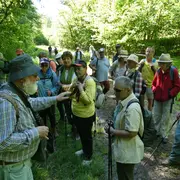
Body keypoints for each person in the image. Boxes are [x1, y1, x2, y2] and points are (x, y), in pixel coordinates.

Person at [0, 54, 69, 180]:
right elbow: (3, 142)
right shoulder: (6, 102)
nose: (37, 78)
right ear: (22, 78)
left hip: (19, 166)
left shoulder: (16, 91)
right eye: (34, 75)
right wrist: (35, 133)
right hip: (13, 170)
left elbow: (31, 103)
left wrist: (55, 98)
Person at [105, 76, 144, 180]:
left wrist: (113, 131)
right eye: (114, 89)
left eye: (118, 90)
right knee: (122, 175)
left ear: (128, 90)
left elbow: (132, 132)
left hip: (128, 151)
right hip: (124, 149)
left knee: (126, 176)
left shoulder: (132, 108)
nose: (115, 92)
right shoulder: (124, 100)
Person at [69, 60, 96, 166]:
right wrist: (73, 87)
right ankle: (84, 150)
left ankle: (89, 157)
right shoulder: (76, 79)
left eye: (79, 68)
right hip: (76, 113)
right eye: (75, 69)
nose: (77, 71)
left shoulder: (90, 82)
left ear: (85, 69)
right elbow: (70, 95)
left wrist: (80, 89)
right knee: (81, 134)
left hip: (86, 115)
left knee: (87, 137)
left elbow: (88, 100)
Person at [152, 53, 180, 144]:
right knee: (156, 115)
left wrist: (170, 94)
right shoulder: (158, 71)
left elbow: (177, 86)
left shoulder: (173, 72)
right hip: (157, 98)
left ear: (168, 64)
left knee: (166, 117)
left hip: (168, 99)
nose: (161, 65)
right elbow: (154, 83)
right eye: (160, 63)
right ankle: (157, 132)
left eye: (163, 63)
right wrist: (154, 90)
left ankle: (164, 135)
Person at [37, 57, 60, 136]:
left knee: (51, 115)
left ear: (48, 65)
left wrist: (52, 91)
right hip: (40, 98)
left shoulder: (52, 74)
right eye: (42, 65)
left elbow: (57, 86)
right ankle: (44, 131)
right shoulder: (37, 73)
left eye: (45, 65)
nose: (44, 67)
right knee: (42, 115)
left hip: (50, 98)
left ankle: (53, 129)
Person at [57, 51, 76, 137]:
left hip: (74, 94)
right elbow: (58, 81)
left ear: (71, 59)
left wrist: (69, 86)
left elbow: (78, 80)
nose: (66, 61)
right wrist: (62, 85)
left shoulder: (75, 68)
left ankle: (77, 131)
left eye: (68, 58)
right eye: (64, 59)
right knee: (68, 112)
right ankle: (73, 129)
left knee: (75, 112)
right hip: (64, 94)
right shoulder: (61, 69)